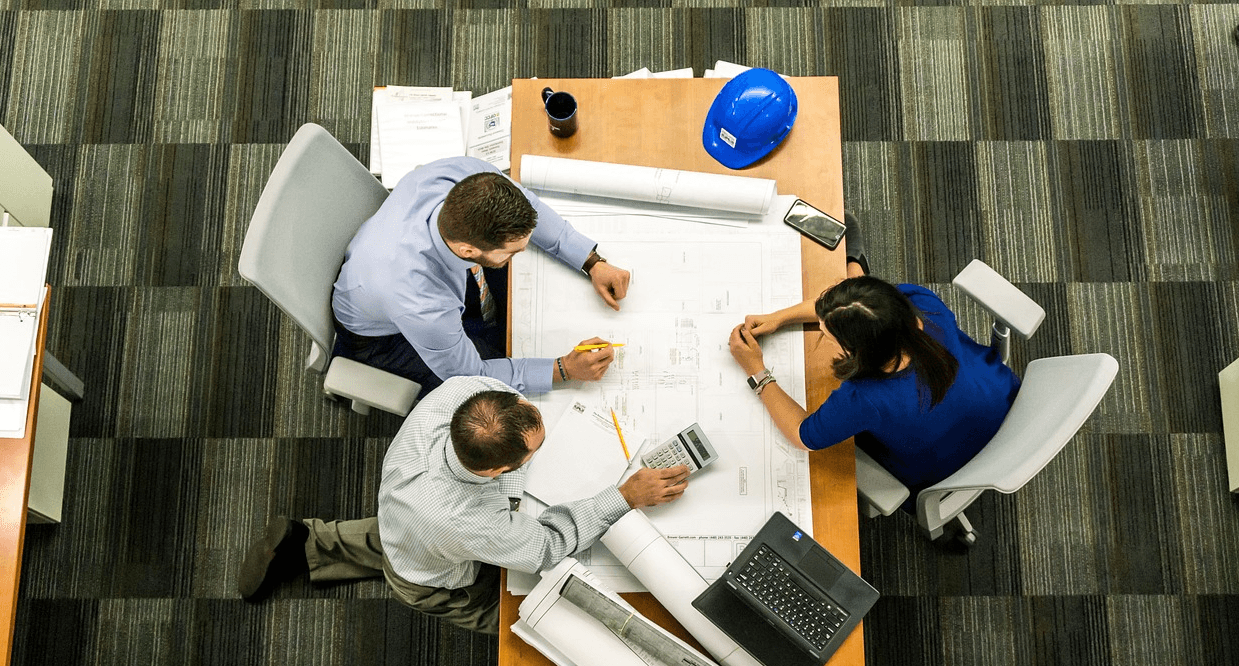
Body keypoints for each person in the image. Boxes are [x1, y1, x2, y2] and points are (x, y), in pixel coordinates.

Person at [237, 376, 689, 633]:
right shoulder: (467, 521)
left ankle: (308, 541)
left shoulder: (460, 395)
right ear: (497, 471)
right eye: (534, 451)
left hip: (405, 513)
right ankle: (524, 627)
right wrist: (624, 496)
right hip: (431, 576)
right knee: (519, 616)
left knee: (401, 535)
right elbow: (547, 547)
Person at [726, 218, 1019, 545]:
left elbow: (803, 435)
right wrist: (779, 317)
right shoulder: (921, 304)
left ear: (856, 352)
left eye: (827, 334)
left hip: (945, 468)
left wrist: (757, 372)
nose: (822, 332)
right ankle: (854, 263)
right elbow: (859, 307)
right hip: (1004, 402)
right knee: (850, 246)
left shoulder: (865, 397)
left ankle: (854, 262)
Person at [332, 156, 632, 397]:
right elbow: (471, 375)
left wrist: (591, 261)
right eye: (512, 251)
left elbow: (531, 207)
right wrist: (564, 369)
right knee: (495, 391)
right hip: (383, 338)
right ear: (467, 249)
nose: (523, 252)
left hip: (391, 269)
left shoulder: (465, 174)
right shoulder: (421, 302)